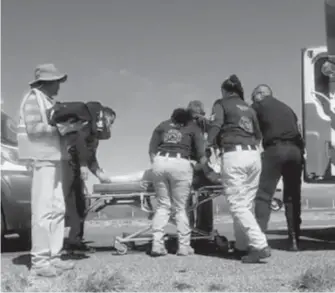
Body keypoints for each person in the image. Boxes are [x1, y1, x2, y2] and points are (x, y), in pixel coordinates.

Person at [17, 63, 75, 277]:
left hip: (54, 158)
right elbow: (34, 128)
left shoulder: (48, 101)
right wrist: (63, 129)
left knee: (57, 208)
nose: (59, 86)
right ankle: (41, 261)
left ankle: (54, 256)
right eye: (57, 82)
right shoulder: (33, 98)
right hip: (41, 159)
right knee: (43, 211)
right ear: (48, 82)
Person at [206, 74, 271, 263]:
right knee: (245, 205)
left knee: (237, 204)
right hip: (253, 155)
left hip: (234, 155)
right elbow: (258, 135)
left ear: (224, 91)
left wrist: (207, 144)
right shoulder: (249, 108)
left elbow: (216, 124)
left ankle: (259, 245)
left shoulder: (221, 103)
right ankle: (243, 247)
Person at [251, 84, 304, 251]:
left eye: (254, 97)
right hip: (295, 152)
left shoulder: (258, 106)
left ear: (260, 95)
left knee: (263, 195)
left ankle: (259, 241)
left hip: (274, 150)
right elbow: (299, 131)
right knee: (292, 196)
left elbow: (250, 126)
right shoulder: (288, 109)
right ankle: (294, 240)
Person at [148, 108, 207, 256]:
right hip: (181, 162)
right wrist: (198, 167)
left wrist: (156, 164)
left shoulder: (162, 125)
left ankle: (157, 244)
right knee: (180, 208)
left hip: (160, 161)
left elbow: (152, 150)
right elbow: (202, 155)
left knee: (163, 205)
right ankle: (184, 246)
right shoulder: (192, 128)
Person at [64, 107, 115, 253]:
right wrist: (83, 165)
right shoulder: (86, 127)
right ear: (103, 117)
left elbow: (90, 157)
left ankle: (76, 241)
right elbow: (78, 144)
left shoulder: (94, 137)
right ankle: (72, 243)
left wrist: (98, 173)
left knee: (80, 205)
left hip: (77, 169)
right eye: (110, 121)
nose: (110, 125)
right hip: (68, 166)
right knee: (72, 204)